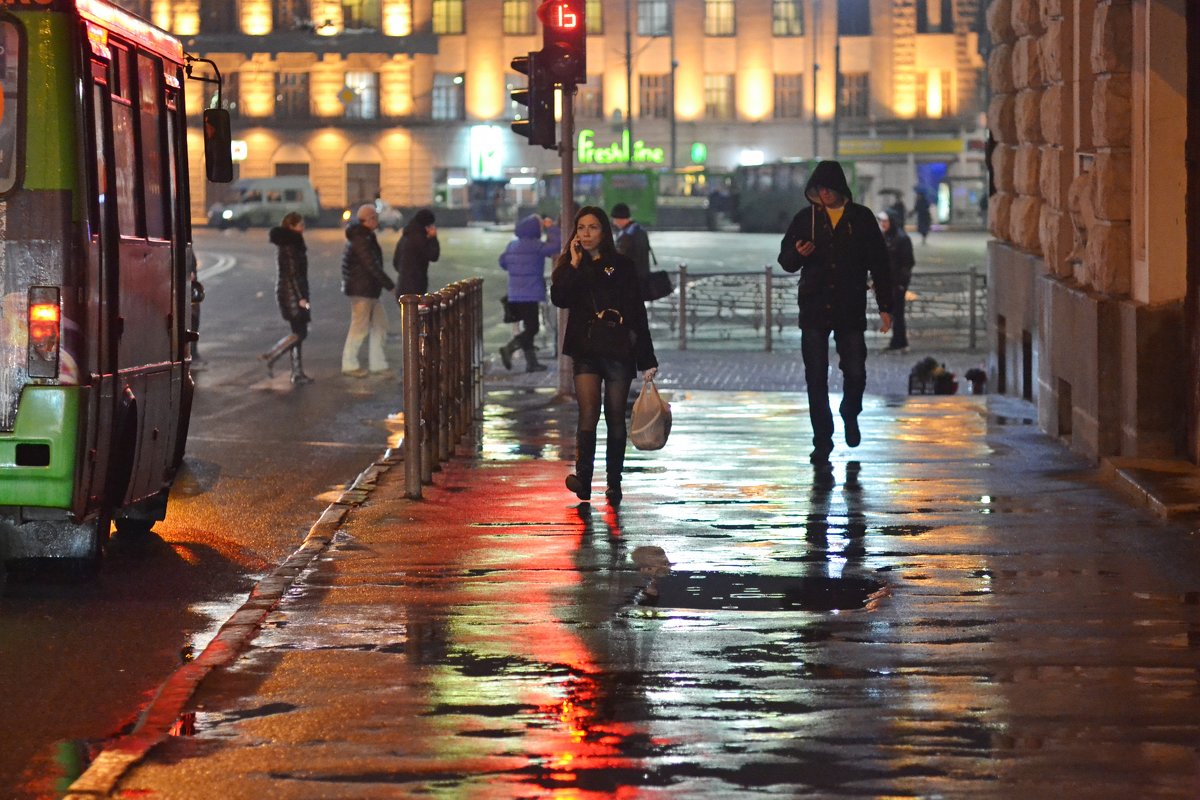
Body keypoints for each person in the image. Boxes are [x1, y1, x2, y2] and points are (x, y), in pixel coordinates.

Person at [777, 160, 892, 466]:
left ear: (840, 189)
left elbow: (880, 264)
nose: (824, 194)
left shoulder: (861, 218)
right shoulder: (806, 219)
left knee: (855, 371)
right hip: (814, 308)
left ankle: (850, 411)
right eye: (818, 189)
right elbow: (785, 259)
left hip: (849, 307)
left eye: (828, 188)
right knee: (815, 378)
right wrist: (797, 255)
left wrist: (886, 307)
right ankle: (822, 441)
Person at [551, 205, 658, 504]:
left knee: (614, 416)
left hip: (617, 348)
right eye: (581, 228)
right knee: (588, 413)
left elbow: (637, 312)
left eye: (593, 227)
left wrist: (647, 358)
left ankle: (614, 483)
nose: (586, 233)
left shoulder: (622, 265)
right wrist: (572, 265)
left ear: (604, 231)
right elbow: (559, 298)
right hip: (585, 348)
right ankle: (583, 479)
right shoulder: (571, 264)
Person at [499, 214, 560, 372]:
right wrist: (551, 227)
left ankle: (531, 363)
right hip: (530, 293)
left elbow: (503, 262)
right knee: (532, 328)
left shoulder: (512, 245)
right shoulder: (537, 246)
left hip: (513, 294)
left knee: (528, 327)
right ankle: (509, 348)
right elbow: (557, 246)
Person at [340, 203, 395, 378]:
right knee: (359, 327)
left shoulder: (365, 236)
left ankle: (378, 364)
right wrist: (390, 285)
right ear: (369, 220)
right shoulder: (360, 239)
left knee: (381, 325)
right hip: (362, 290)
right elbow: (371, 265)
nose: (377, 220)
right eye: (375, 217)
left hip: (368, 289)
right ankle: (349, 364)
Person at [260, 212, 314, 383]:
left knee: (298, 332)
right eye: (300, 224)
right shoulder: (291, 244)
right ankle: (273, 356)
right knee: (300, 333)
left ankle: (297, 372)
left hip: (290, 292)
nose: (303, 227)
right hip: (292, 293)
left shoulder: (290, 243)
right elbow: (292, 273)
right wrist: (301, 298)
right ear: (291, 226)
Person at [878, 209, 915, 353]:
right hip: (888, 282)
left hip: (897, 283)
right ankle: (897, 341)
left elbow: (908, 263)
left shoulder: (902, 238)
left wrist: (901, 283)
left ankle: (899, 342)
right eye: (881, 221)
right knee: (893, 313)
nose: (883, 224)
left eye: (885, 221)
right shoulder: (885, 236)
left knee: (897, 313)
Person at [393, 209, 440, 297]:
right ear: (427, 225)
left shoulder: (405, 236)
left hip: (402, 285)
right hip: (415, 288)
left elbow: (396, 262)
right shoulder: (419, 238)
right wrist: (433, 238)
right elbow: (433, 256)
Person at [610, 202, 653, 296]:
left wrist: (608, 272)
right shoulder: (638, 231)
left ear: (621, 219)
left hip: (631, 281)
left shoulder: (628, 235)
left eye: (615, 219)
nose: (614, 222)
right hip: (637, 279)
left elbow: (620, 258)